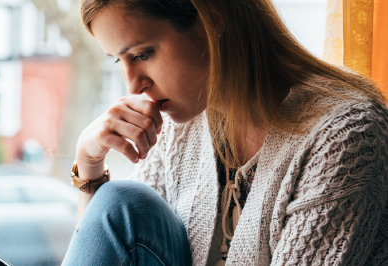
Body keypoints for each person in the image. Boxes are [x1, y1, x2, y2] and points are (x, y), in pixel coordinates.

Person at [62, 0, 388, 265]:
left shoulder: (345, 134)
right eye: (119, 61)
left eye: (142, 54)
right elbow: (112, 248)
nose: (133, 84)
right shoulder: (184, 129)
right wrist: (89, 165)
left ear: (211, 20)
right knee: (120, 203)